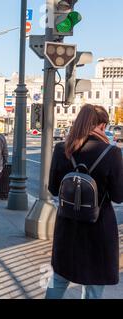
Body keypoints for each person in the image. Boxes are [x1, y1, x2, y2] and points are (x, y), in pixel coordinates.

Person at [46, 104, 123, 299]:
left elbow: (53, 188)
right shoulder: (111, 153)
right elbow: (118, 196)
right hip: (98, 229)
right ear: (101, 125)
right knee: (93, 287)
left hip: (67, 226)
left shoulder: (61, 149)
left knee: (58, 280)